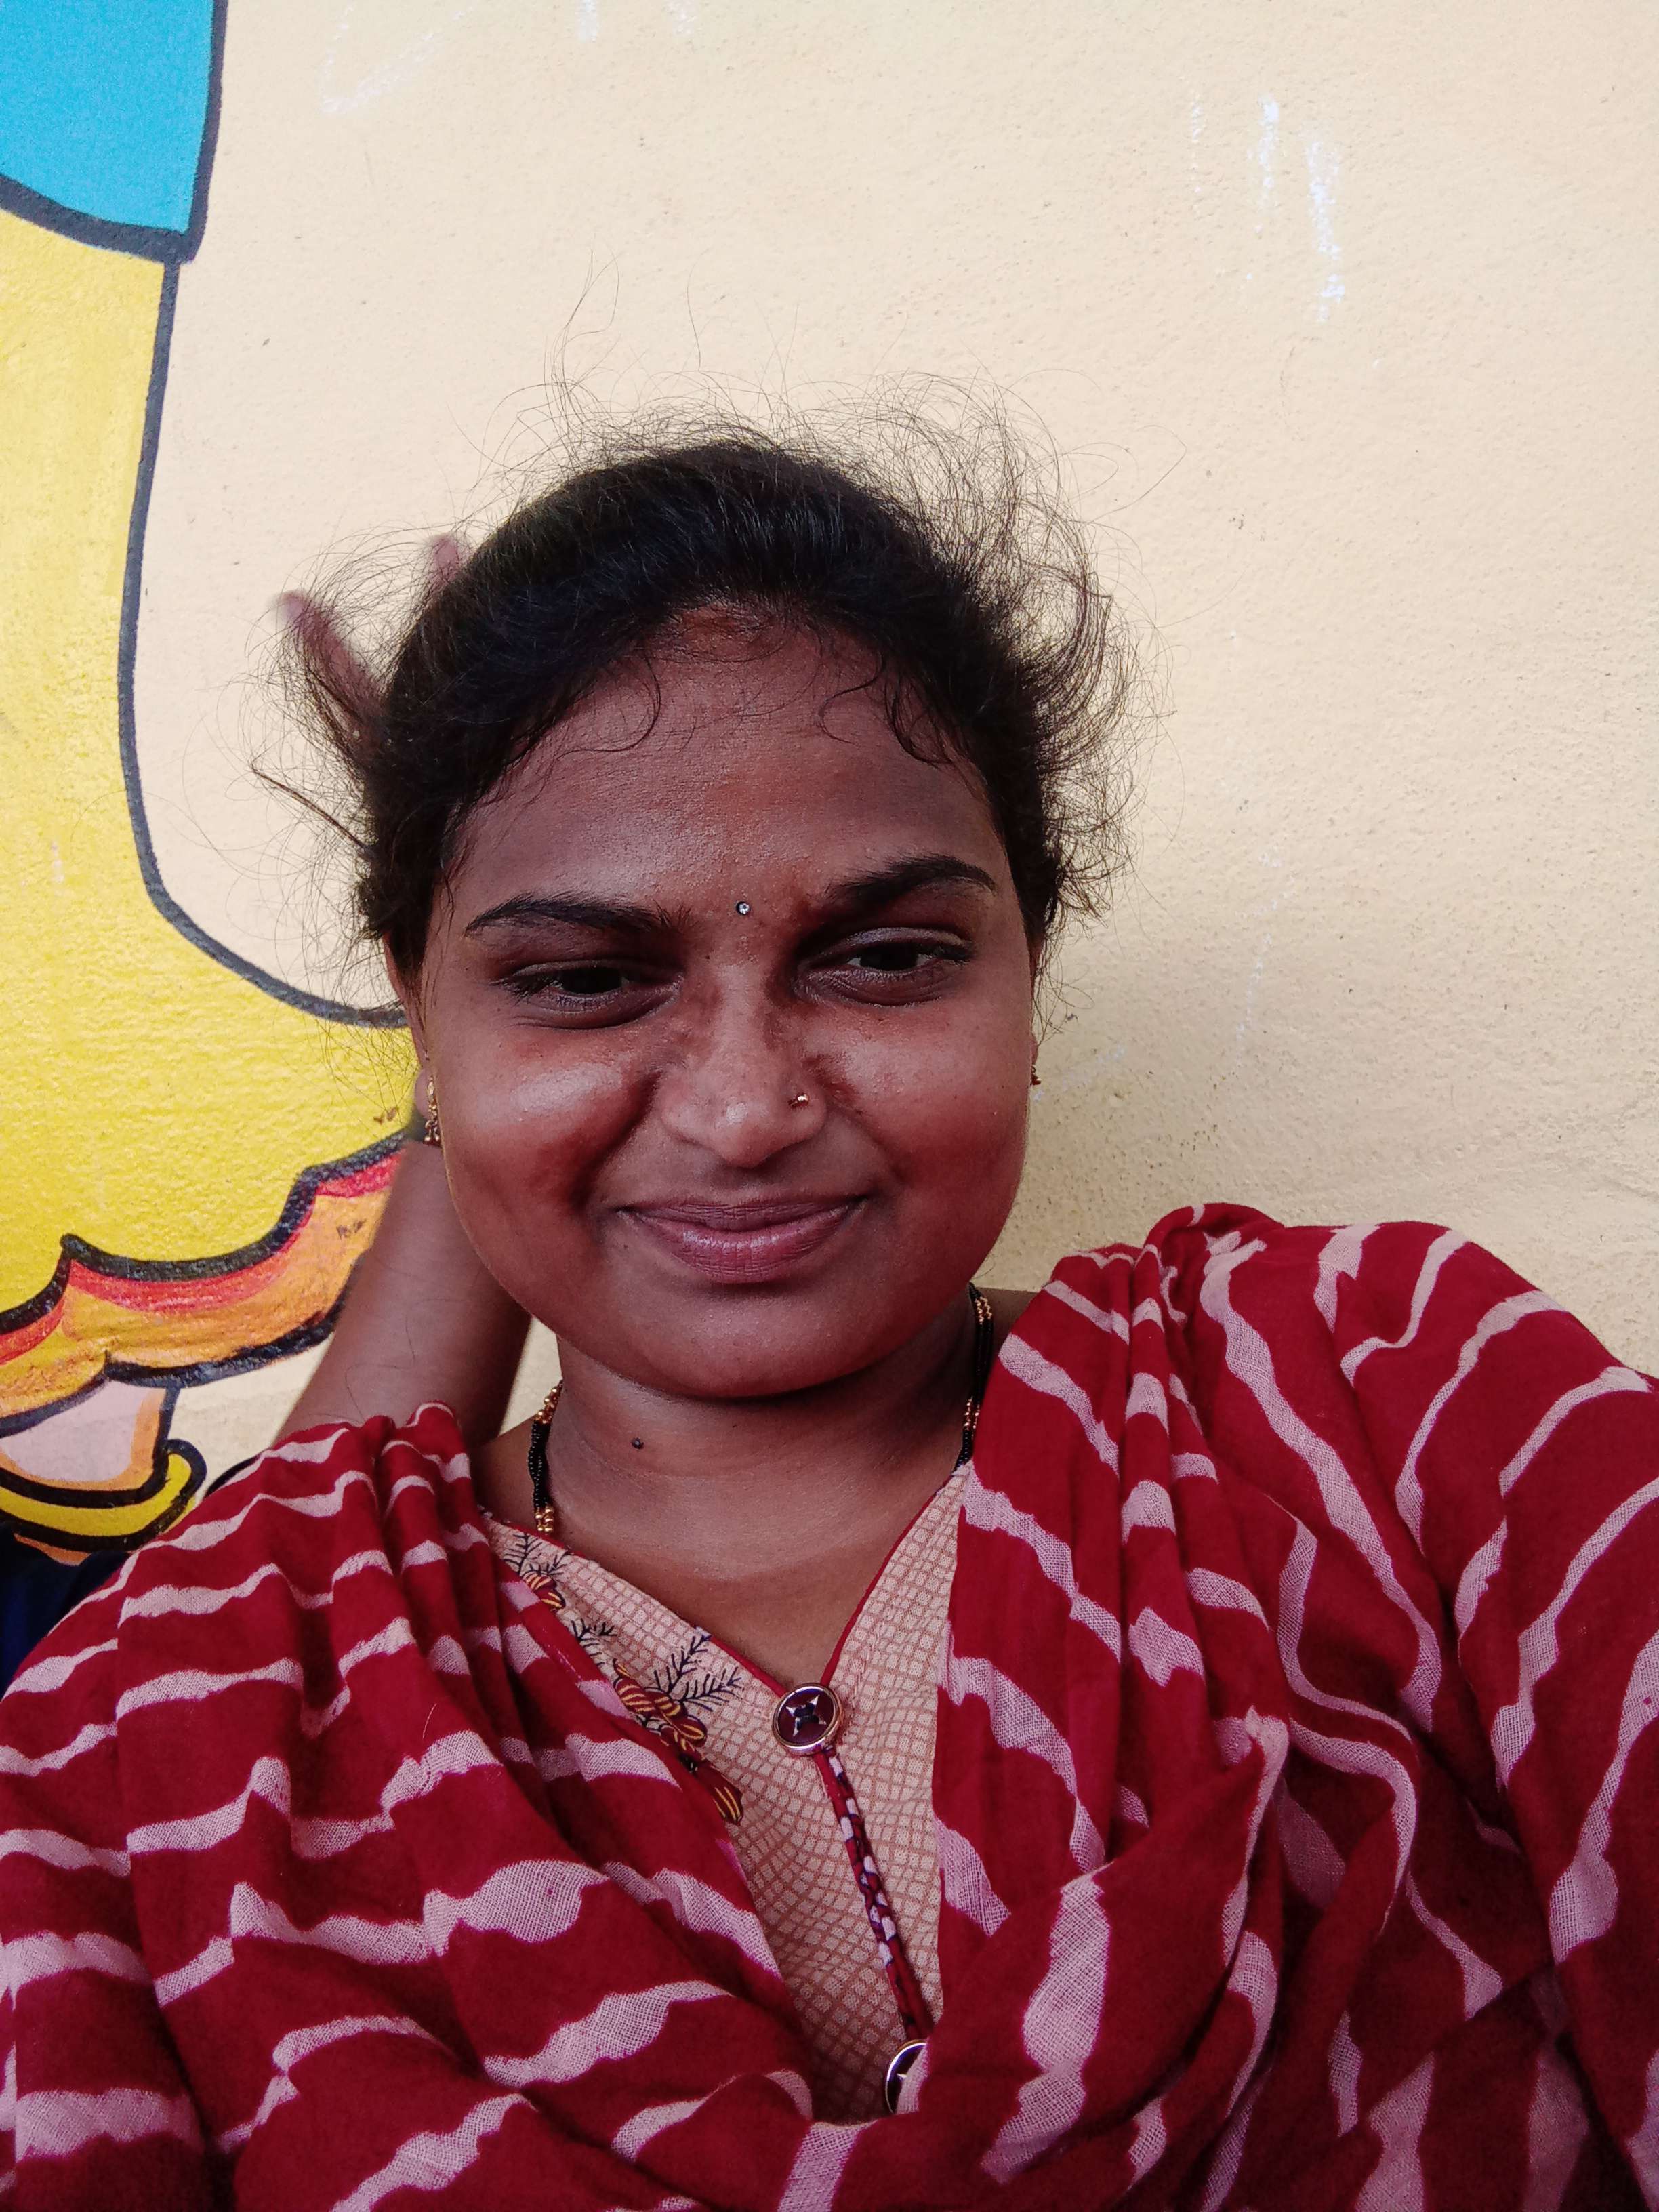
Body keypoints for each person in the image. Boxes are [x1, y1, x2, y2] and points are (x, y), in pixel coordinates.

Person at [1, 408, 1654, 2211]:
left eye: (883, 958)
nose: (742, 1111)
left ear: (1030, 964)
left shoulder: (1384, 1404)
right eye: (580, 979)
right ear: (424, 1016)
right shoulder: (194, 1710)